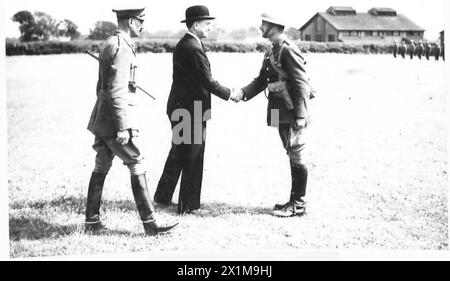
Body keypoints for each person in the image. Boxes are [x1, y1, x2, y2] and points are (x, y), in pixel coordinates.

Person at [85, 7, 178, 235]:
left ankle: (91, 222)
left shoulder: (112, 42)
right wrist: (122, 126)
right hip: (115, 120)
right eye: (140, 20)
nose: (143, 25)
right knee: (136, 163)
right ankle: (150, 224)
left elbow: (101, 86)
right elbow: (116, 90)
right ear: (130, 21)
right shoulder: (122, 47)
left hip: (103, 117)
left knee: (102, 164)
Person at [153, 5, 236, 214]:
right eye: (207, 24)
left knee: (179, 152)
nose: (210, 28)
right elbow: (207, 80)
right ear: (196, 24)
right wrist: (230, 94)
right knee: (193, 154)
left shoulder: (188, 43)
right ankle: (188, 205)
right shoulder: (191, 47)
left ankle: (162, 196)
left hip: (185, 108)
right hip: (190, 110)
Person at [232, 13, 314, 217]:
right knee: (290, 151)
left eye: (264, 24)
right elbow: (262, 80)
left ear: (274, 26)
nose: (260, 28)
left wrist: (301, 115)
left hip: (291, 110)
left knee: (297, 151)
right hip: (278, 109)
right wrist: (242, 93)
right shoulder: (273, 50)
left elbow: (301, 82)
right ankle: (294, 201)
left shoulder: (286, 48)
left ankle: (298, 204)